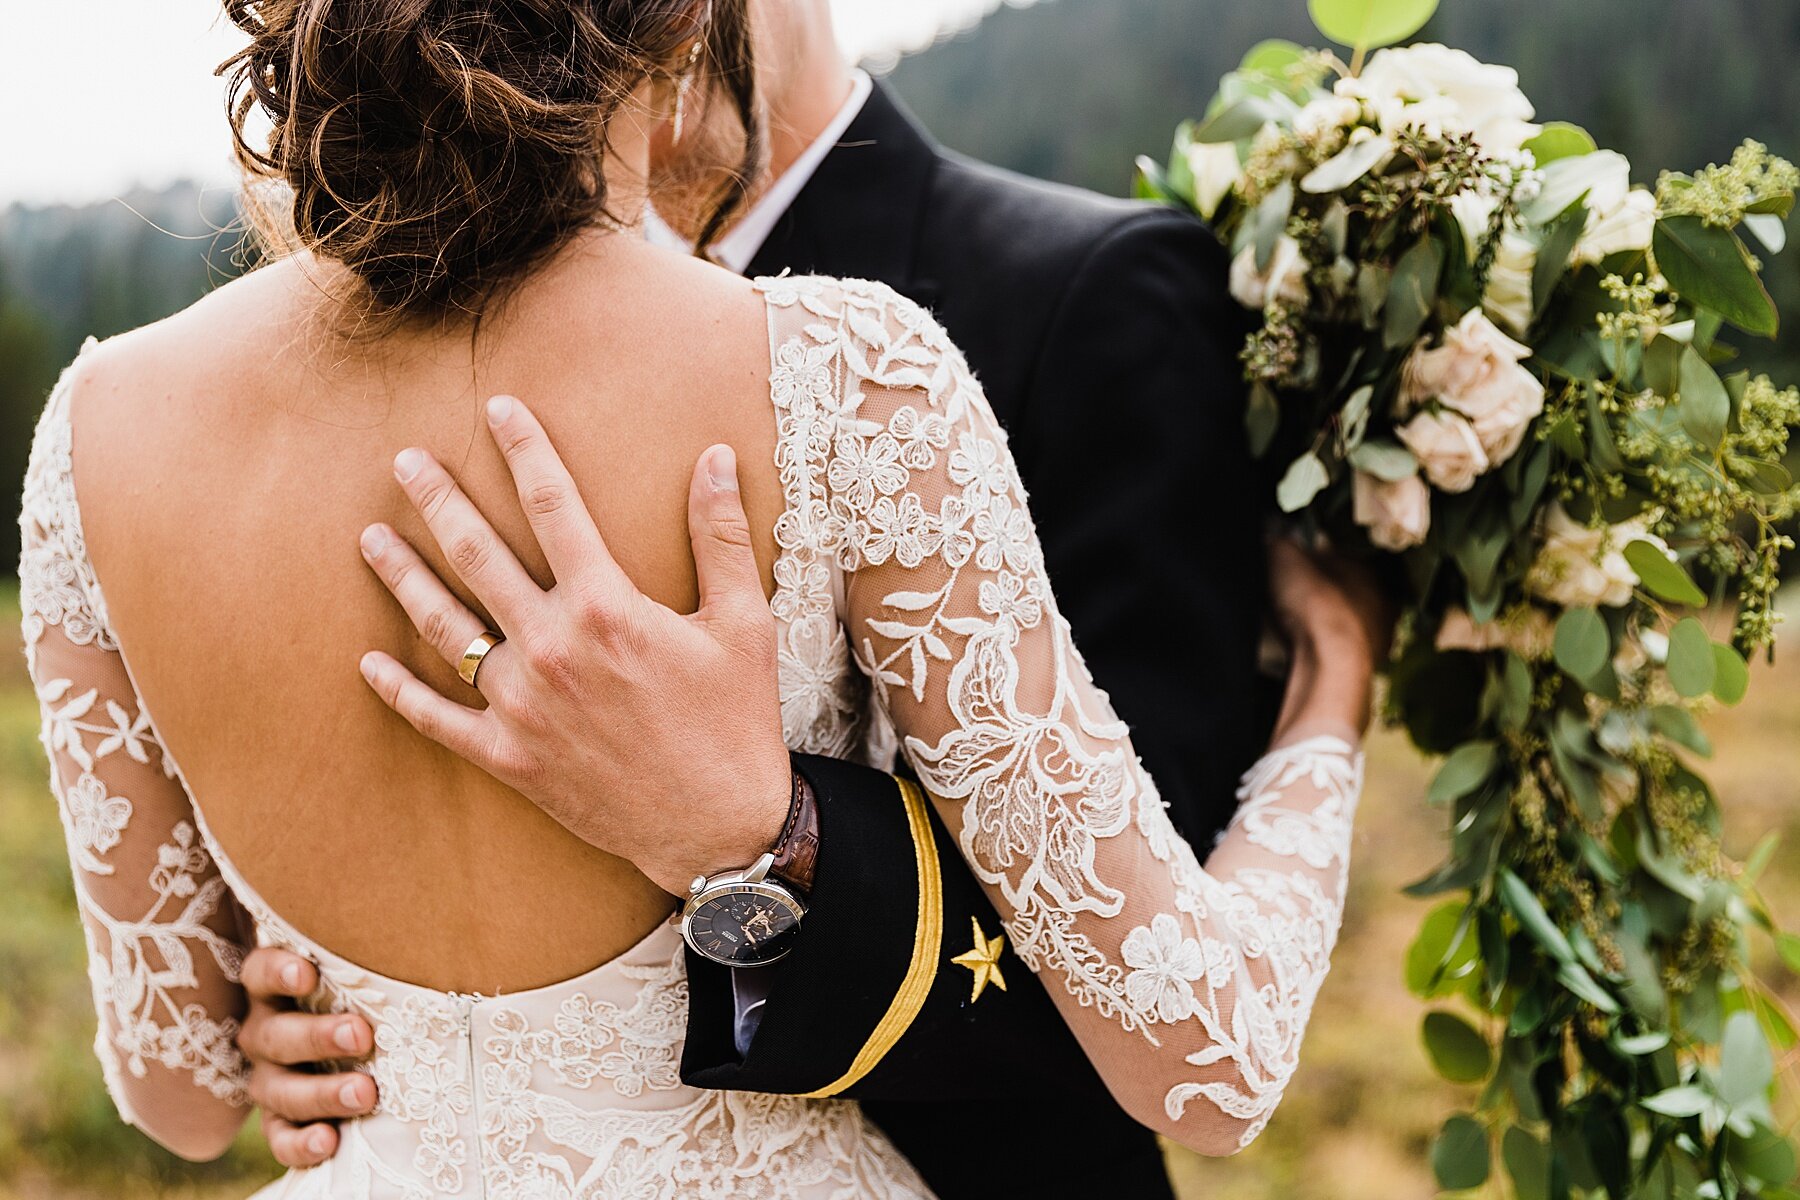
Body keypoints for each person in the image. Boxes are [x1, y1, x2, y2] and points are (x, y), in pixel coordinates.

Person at [22, 4, 1383, 1200]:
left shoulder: (101, 427)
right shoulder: (846, 375)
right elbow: (1208, 1064)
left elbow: (182, 1099)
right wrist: (1332, 688)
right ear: (679, 24)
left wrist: (294, 1011)